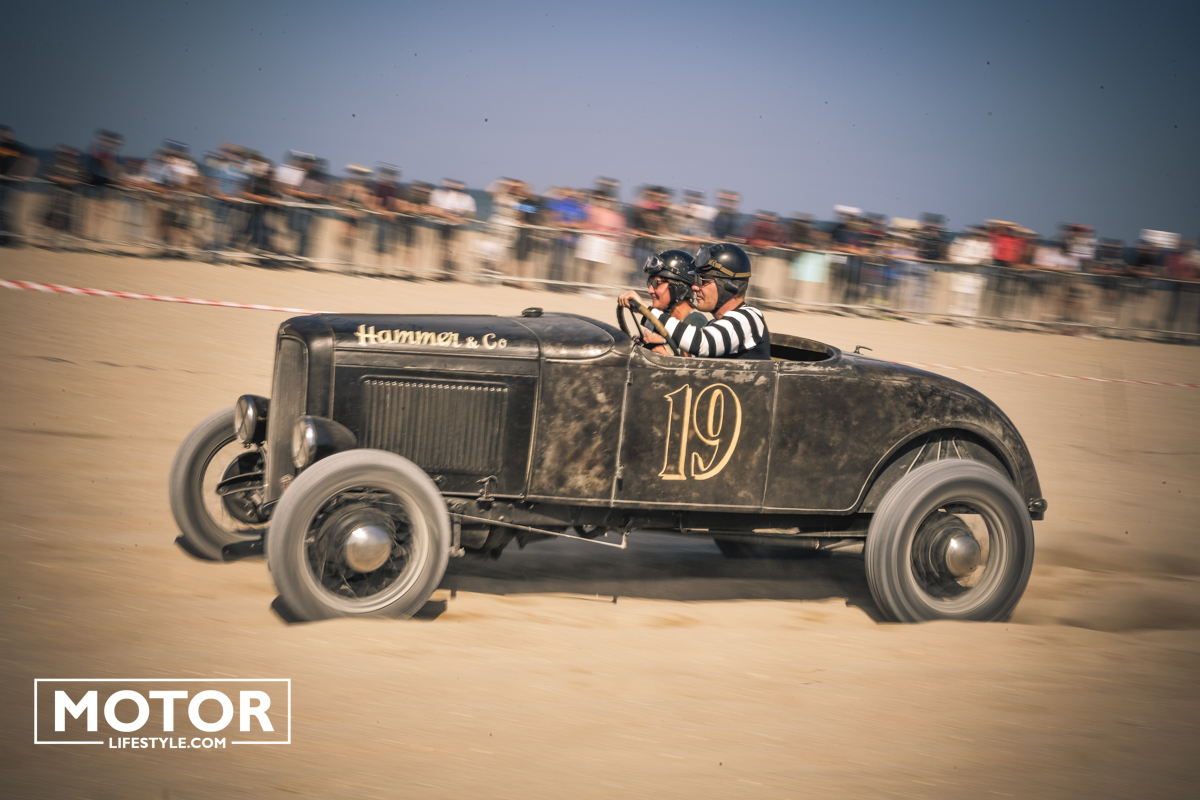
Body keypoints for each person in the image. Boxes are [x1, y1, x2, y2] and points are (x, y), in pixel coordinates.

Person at [624, 243, 770, 360]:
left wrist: (646, 310)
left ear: (729, 285)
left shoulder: (750, 318)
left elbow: (701, 343)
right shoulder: (712, 325)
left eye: (703, 281)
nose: (694, 287)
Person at [617, 249, 707, 355]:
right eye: (649, 284)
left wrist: (662, 354)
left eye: (656, 284)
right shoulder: (663, 319)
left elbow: (693, 365)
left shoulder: (696, 320)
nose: (650, 291)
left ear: (678, 288)